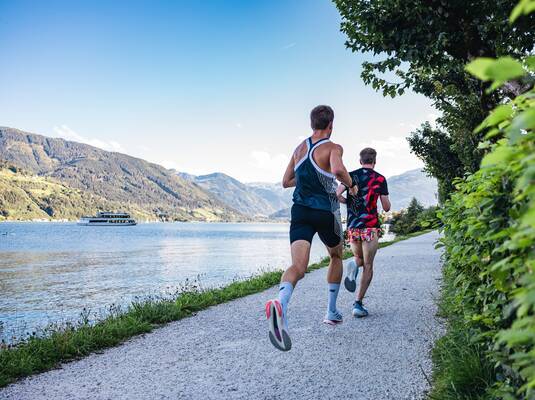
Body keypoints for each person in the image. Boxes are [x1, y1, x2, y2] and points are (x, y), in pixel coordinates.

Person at [264, 105, 357, 352]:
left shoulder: (298, 149)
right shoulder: (333, 148)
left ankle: (281, 303)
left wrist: (309, 179)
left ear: (311, 123)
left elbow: (286, 182)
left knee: (297, 267)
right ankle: (331, 311)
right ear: (331, 125)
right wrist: (351, 184)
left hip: (300, 211)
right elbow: (337, 170)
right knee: (336, 256)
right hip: (325, 212)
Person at [337, 147, 390, 317]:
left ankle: (353, 264)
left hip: (353, 226)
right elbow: (387, 207)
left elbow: (336, 195)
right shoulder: (380, 179)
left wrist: (350, 203)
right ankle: (358, 304)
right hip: (370, 226)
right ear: (374, 161)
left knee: (358, 258)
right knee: (368, 265)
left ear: (360, 161)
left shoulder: (350, 176)